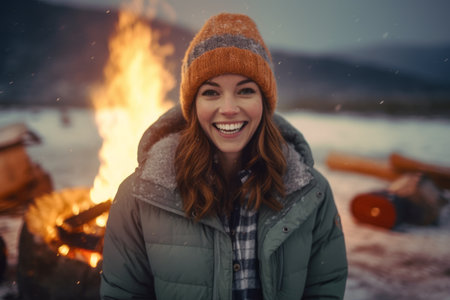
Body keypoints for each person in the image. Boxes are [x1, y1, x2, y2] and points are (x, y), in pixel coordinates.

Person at [100, 13, 347, 300]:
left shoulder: (310, 193)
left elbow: (324, 289)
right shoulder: (139, 196)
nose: (228, 108)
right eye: (211, 92)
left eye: (245, 91)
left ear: (264, 104)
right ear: (192, 107)